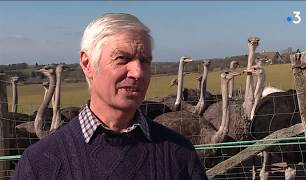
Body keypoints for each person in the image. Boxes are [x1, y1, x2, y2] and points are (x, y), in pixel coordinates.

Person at [13, 13, 208, 180]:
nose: (138, 72)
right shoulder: (39, 163)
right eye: (122, 59)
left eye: (145, 61)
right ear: (88, 64)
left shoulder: (179, 154)